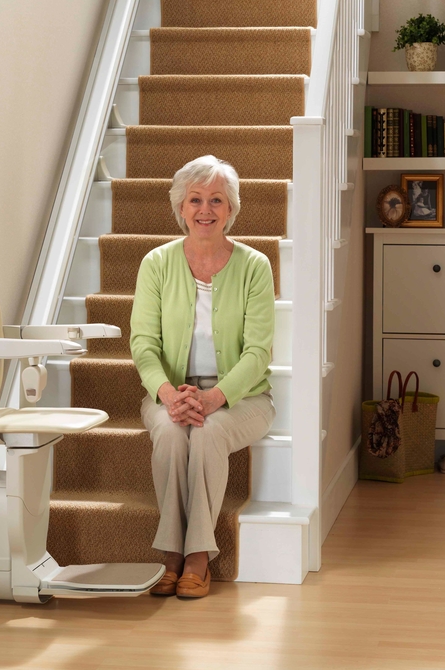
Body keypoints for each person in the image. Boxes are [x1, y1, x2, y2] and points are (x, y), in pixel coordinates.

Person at [130, 155, 276, 599]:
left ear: (230, 208)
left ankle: (195, 558)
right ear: (181, 207)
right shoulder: (156, 263)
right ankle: (171, 553)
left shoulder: (255, 266)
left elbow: (258, 352)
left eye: (216, 199)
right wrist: (170, 395)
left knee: (209, 433)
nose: (205, 209)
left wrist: (215, 398)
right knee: (173, 435)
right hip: (169, 393)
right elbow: (143, 345)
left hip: (244, 398)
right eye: (195, 199)